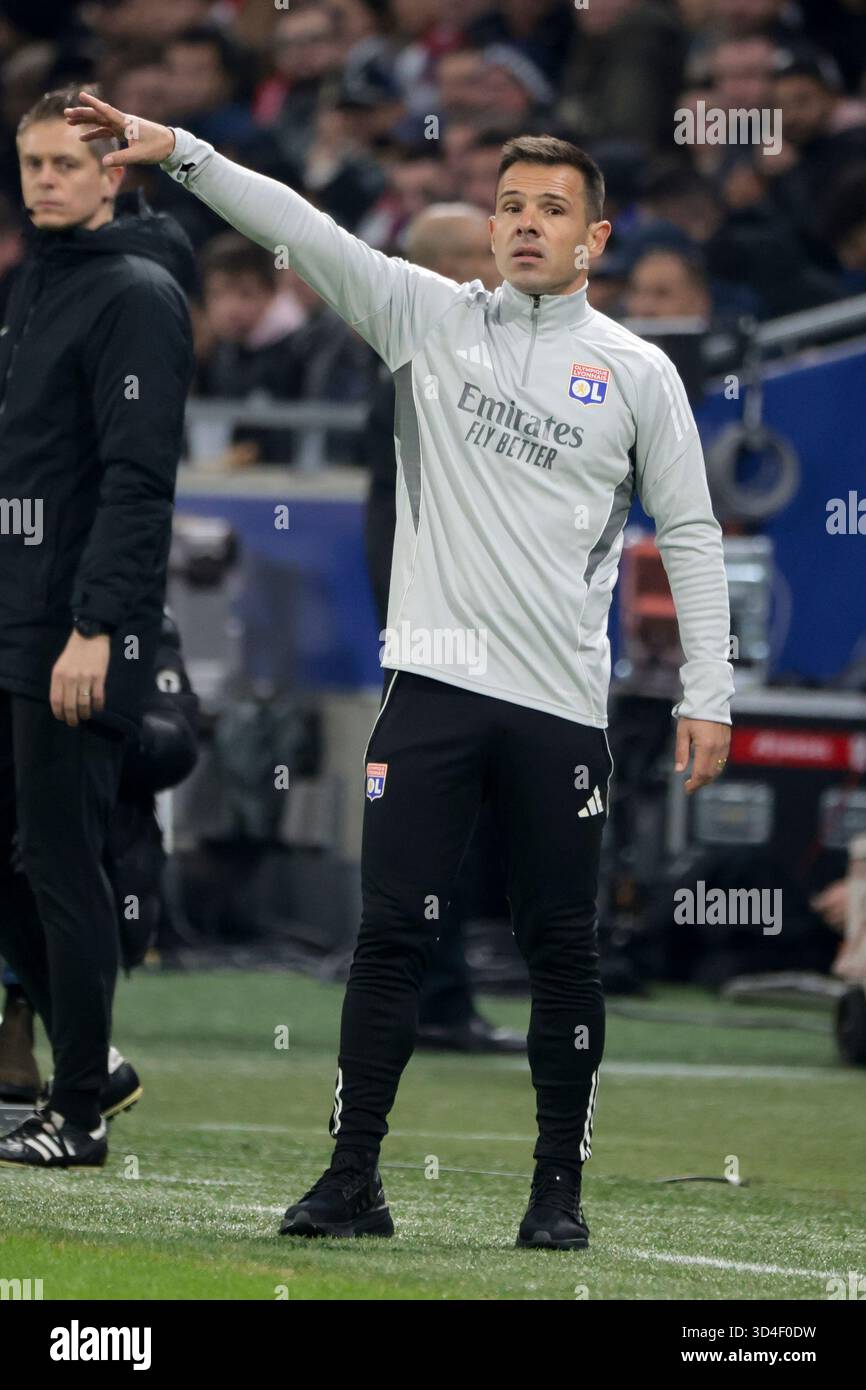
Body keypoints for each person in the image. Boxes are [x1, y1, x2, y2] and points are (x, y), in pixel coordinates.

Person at [65, 93, 733, 1248]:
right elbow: (298, 230)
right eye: (510, 204)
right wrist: (181, 152)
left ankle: (554, 1192)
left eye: (552, 209)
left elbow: (691, 535)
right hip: (428, 690)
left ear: (595, 242)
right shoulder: (424, 316)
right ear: (490, 226)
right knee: (389, 935)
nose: (525, 223)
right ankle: (352, 1177)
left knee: (559, 950)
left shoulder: (635, 374)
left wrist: (708, 691)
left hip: (562, 712)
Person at [0, 87, 193, 1169]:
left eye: (66, 164)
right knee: (18, 859)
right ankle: (91, 1060)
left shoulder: (133, 292)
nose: (44, 181)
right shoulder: (40, 282)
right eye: (31, 164)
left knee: (64, 860)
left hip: (74, 628)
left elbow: (136, 482)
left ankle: (75, 1112)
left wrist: (95, 627)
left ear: (112, 174)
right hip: (16, 613)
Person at [363, 202, 523, 1054]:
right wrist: (411, 624)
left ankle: (444, 992)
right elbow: (390, 508)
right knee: (434, 825)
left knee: (466, 820)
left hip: (494, 631)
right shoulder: (419, 356)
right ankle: (438, 997)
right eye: (465, 251)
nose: (489, 259)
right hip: (437, 633)